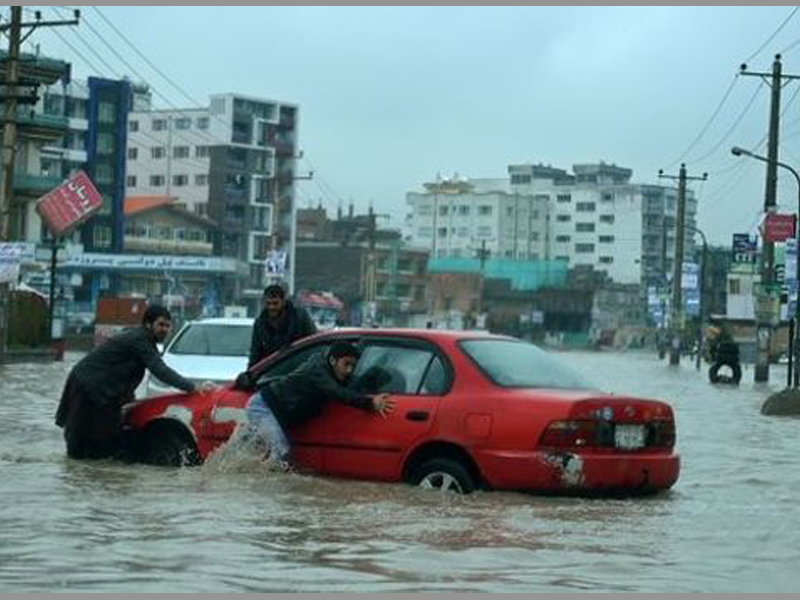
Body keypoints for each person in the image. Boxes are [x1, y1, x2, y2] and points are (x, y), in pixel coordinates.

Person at [55, 305, 216, 460]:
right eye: (161, 324)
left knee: (103, 436)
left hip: (102, 389)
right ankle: (81, 473)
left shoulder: (145, 341)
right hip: (88, 385)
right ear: (148, 324)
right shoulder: (140, 339)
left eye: (168, 326)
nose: (165, 329)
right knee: (85, 435)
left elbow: (126, 374)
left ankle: (90, 471)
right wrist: (192, 387)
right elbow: (160, 370)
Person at [242, 341, 396, 468]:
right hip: (263, 407)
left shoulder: (334, 372)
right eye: (346, 364)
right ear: (332, 360)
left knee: (247, 449)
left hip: (281, 413)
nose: (349, 370)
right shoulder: (316, 370)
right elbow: (337, 392)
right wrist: (369, 403)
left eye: (353, 366)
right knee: (282, 451)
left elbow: (353, 385)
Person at [248, 284, 317, 368]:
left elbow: (313, 343)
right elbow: (255, 353)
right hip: (273, 371)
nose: (271, 307)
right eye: (268, 303)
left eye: (275, 303)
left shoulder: (299, 318)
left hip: (299, 368)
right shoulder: (260, 324)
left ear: (283, 302)